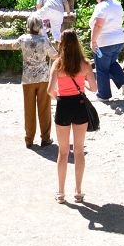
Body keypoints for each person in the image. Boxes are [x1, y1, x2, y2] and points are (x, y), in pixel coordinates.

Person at [47, 29, 97, 203]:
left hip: (63, 106)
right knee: (79, 151)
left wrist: (60, 97)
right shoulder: (85, 64)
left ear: (61, 44)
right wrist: (84, 86)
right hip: (80, 105)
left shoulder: (58, 64)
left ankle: (61, 193)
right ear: (77, 43)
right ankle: (78, 191)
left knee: (62, 152)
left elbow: (50, 91)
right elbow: (95, 88)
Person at [19, 14, 56, 149]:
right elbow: (54, 55)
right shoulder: (43, 40)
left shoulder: (23, 39)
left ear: (28, 26)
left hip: (27, 78)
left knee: (29, 109)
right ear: (40, 26)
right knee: (44, 108)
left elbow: (13, 45)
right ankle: (45, 138)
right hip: (43, 78)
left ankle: (29, 139)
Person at [89, 0, 124, 101]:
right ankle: (123, 82)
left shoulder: (101, 6)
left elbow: (98, 25)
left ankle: (104, 95)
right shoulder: (117, 4)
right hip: (119, 40)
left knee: (102, 68)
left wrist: (93, 41)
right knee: (111, 63)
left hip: (104, 42)